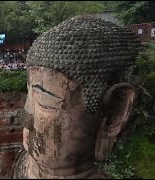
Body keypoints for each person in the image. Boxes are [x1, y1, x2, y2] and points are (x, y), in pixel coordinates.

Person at [12, 16, 141, 179]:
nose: (26, 120)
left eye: (44, 102)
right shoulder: (23, 164)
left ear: (115, 113)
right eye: (29, 96)